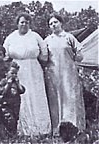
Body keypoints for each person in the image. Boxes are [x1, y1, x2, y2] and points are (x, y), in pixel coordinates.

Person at [3, 13, 51, 136]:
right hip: (16, 70)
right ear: (17, 23)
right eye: (22, 22)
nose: (24, 24)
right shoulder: (11, 37)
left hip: (33, 70)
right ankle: (21, 129)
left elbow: (44, 52)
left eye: (27, 22)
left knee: (35, 96)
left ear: (30, 24)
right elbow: (5, 54)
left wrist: (38, 61)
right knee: (20, 97)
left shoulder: (35, 36)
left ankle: (40, 128)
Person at [44, 14, 85, 142]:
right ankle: (57, 129)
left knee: (70, 98)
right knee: (55, 99)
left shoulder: (69, 37)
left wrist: (76, 57)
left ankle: (75, 127)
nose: (53, 25)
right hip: (54, 73)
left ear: (61, 23)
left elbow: (80, 54)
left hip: (68, 72)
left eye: (55, 22)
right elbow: (44, 57)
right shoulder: (47, 40)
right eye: (51, 24)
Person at [0, 61, 25, 135]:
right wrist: (8, 85)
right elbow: (1, 92)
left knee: (15, 118)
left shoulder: (16, 83)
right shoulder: (4, 81)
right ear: (6, 73)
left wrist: (18, 83)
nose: (14, 75)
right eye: (12, 73)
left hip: (15, 104)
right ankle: (8, 133)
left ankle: (13, 133)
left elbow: (22, 90)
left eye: (15, 73)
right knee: (9, 118)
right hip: (6, 104)